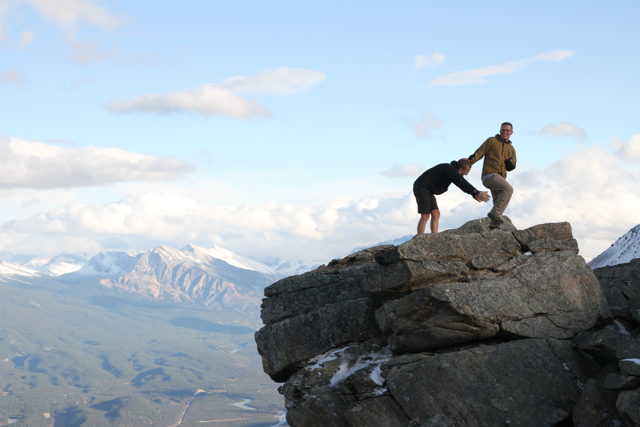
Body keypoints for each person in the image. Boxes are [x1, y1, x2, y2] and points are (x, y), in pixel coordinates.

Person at [413, 158, 490, 234]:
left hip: (428, 190)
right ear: (460, 169)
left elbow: (461, 181)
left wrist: (473, 194)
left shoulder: (452, 169)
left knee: (436, 214)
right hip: (421, 188)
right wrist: (476, 192)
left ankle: (434, 236)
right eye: (466, 172)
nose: (466, 174)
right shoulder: (450, 170)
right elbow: (461, 182)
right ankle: (420, 237)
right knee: (425, 215)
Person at [467, 122, 517, 229]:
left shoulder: (511, 149)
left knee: (498, 200)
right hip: (489, 174)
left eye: (507, 130)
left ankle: (494, 225)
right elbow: (480, 153)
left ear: (511, 132)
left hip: (500, 177)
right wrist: (467, 163)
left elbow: (512, 166)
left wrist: (510, 164)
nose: (505, 132)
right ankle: (495, 214)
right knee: (508, 189)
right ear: (500, 131)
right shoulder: (492, 141)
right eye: (503, 130)